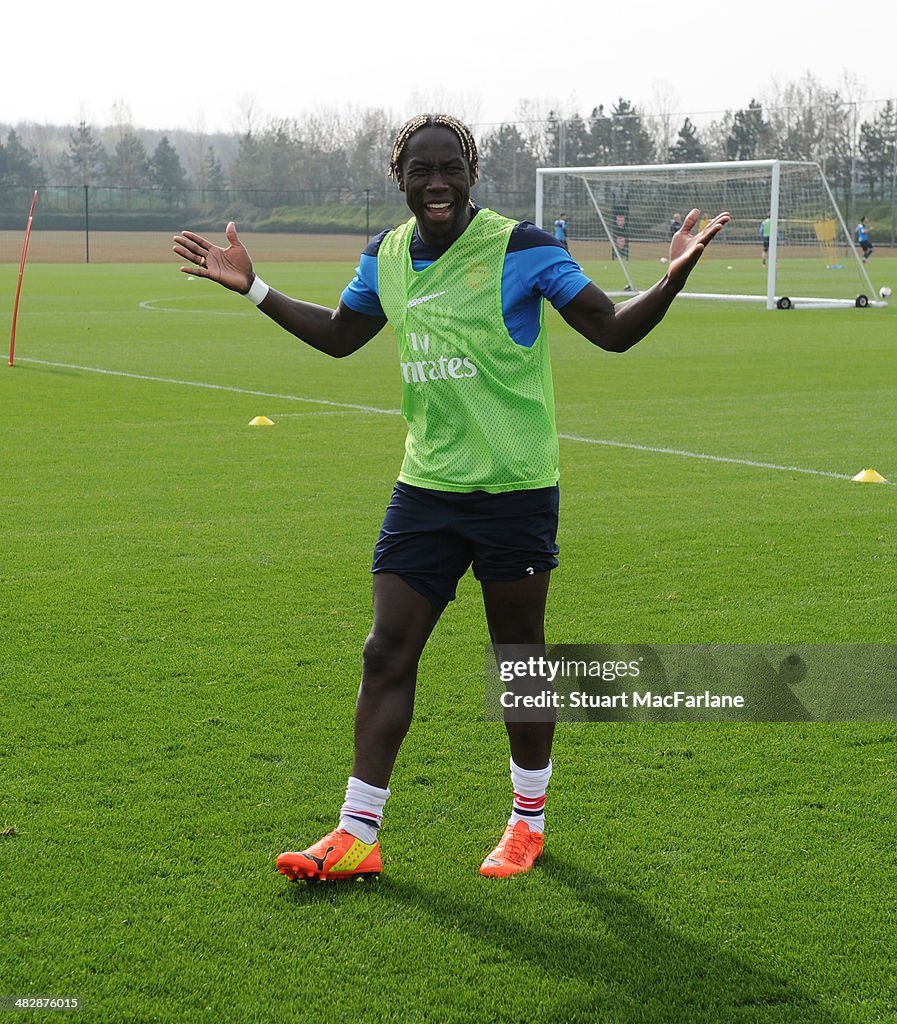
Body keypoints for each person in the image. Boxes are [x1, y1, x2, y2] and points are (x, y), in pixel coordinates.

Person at [172, 114, 730, 883]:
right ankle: (356, 833)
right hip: (425, 489)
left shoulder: (523, 246)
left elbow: (611, 332)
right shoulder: (386, 254)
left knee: (518, 663)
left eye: (450, 168)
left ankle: (526, 824)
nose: (436, 182)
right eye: (419, 171)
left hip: (513, 491)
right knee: (384, 650)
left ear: (472, 173)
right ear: (398, 179)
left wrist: (670, 279)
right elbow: (341, 336)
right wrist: (256, 288)